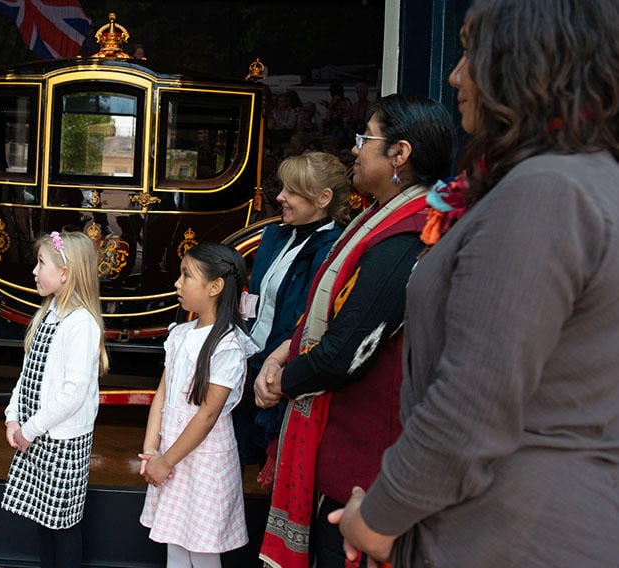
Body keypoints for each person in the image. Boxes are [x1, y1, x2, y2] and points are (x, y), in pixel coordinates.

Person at [332, 1, 619, 566]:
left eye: (471, 51)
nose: (455, 73)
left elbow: (470, 407)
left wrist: (378, 516)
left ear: (525, 63)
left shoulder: (545, 193)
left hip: (511, 530)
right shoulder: (583, 179)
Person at [253, 94, 455, 568]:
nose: (356, 149)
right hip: (350, 459)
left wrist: (280, 380)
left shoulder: (408, 235)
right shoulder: (382, 219)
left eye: (366, 138)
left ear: (400, 154)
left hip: (365, 477)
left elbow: (345, 352)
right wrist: (285, 349)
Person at [137, 242, 257, 567]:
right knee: (174, 542)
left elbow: (207, 416)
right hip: (170, 458)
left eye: (187, 276)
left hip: (203, 462)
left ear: (215, 286)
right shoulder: (180, 334)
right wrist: (152, 450)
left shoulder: (228, 346)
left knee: (203, 551)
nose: (178, 283)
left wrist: (166, 461)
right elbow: (162, 393)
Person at [232, 152, 350, 470]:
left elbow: (310, 323)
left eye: (292, 191)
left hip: (277, 381)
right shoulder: (277, 234)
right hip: (249, 368)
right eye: (283, 187)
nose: (280, 197)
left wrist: (271, 367)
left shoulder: (332, 251)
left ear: (323, 198)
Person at [1, 230, 109, 568]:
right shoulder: (47, 314)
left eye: (41, 263)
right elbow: (28, 373)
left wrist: (30, 428)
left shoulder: (81, 324)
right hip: (36, 436)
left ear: (65, 273)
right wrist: (12, 417)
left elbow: (72, 393)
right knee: (44, 522)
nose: (34, 270)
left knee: (62, 526)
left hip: (60, 442)